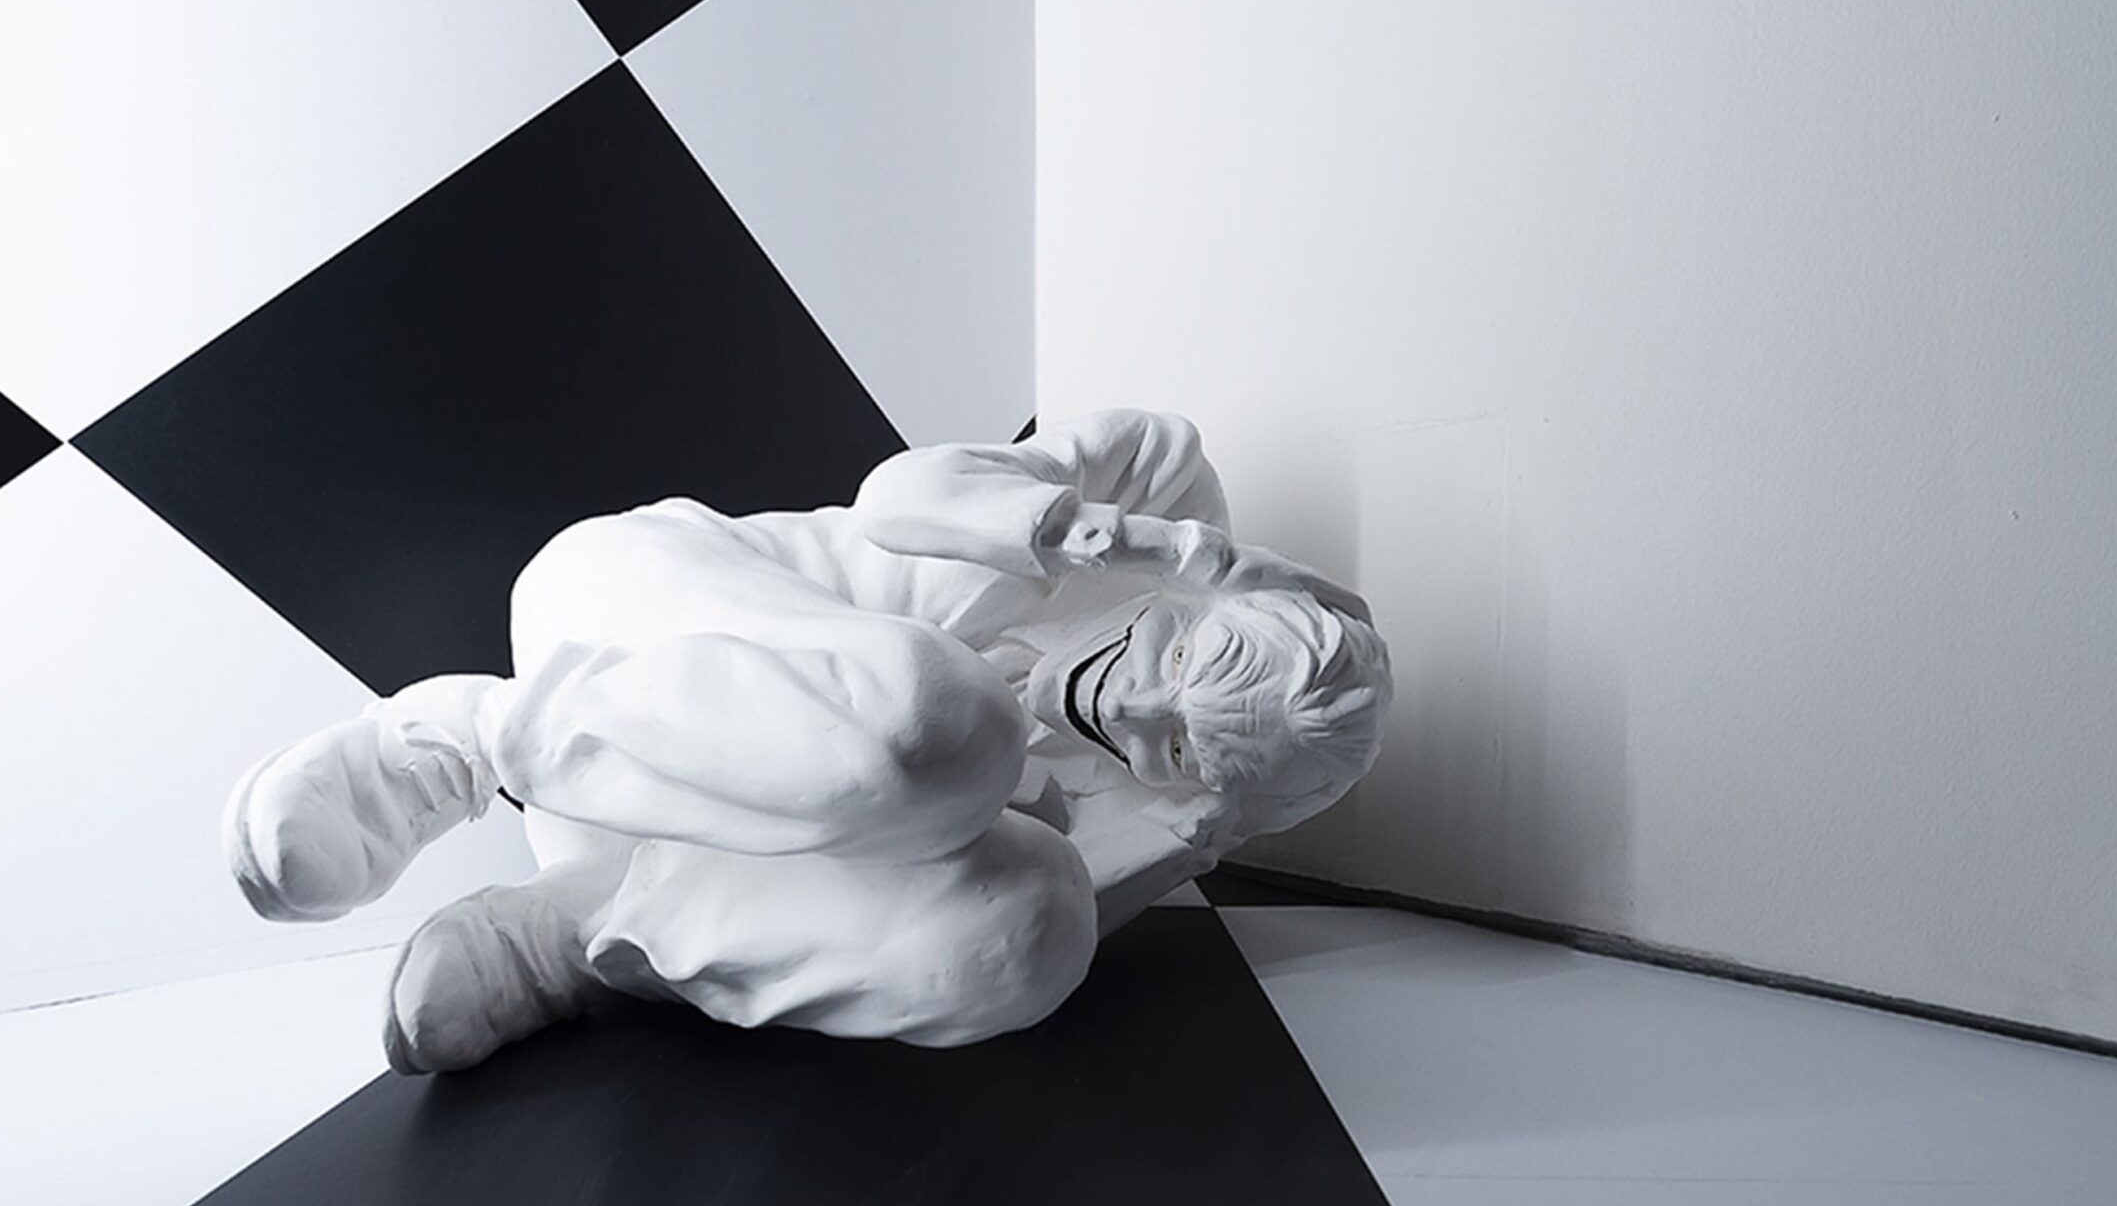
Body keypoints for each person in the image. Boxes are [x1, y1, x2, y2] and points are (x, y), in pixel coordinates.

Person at [224, 409, 1391, 1072]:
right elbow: (897, 498)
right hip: (628, 633)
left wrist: (1173, 839)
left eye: (1173, 748)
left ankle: (572, 938)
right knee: (951, 723)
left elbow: (978, 905)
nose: (1125, 712)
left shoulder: (1171, 798)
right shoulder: (1160, 481)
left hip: (682, 853)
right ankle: (447, 745)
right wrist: (1118, 539)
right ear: (1212, 598)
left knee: (1033, 936)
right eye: (1174, 663)